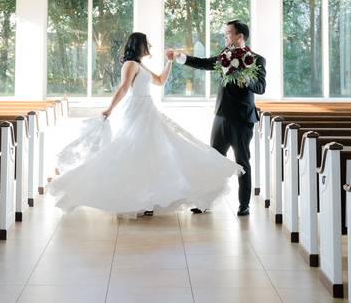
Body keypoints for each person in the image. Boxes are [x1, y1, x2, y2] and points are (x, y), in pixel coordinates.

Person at [47, 32, 243, 216]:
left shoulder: (140, 65)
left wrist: (169, 62)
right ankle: (137, 200)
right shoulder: (130, 64)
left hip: (148, 110)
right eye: (146, 43)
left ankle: (148, 200)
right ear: (139, 45)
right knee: (135, 151)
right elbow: (123, 89)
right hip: (136, 110)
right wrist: (109, 109)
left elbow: (159, 81)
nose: (149, 45)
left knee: (153, 152)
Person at [168, 20, 266, 216]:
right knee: (212, 160)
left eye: (228, 33)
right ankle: (204, 202)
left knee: (242, 162)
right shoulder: (224, 56)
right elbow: (204, 63)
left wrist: (246, 79)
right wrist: (181, 57)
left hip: (242, 119)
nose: (225, 36)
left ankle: (244, 205)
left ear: (240, 36)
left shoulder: (256, 59)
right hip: (221, 116)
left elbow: (261, 87)